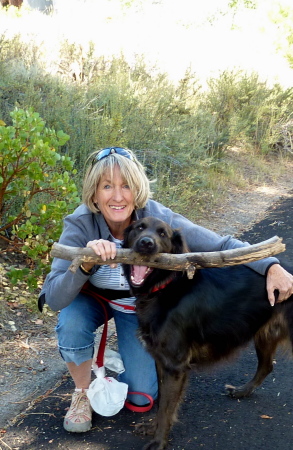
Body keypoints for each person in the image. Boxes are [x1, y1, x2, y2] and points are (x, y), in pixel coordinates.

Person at [40, 146, 293, 433]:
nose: (118, 196)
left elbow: (222, 246)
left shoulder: (159, 219)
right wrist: (85, 262)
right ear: (94, 193)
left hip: (138, 308)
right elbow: (55, 298)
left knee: (142, 396)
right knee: (71, 321)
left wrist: (271, 266)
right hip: (93, 302)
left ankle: (125, 354)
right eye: (107, 186)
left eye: (126, 186)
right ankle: (82, 394)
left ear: (137, 190)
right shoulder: (80, 224)